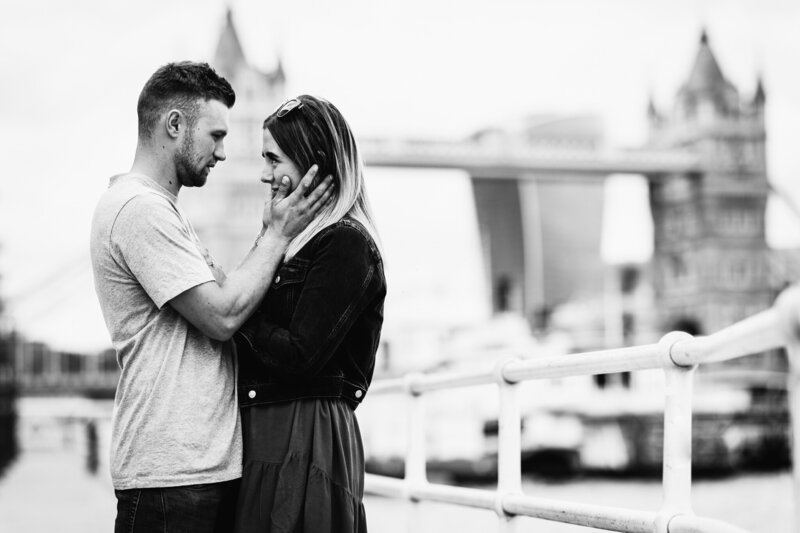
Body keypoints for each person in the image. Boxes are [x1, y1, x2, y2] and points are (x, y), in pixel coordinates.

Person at [89, 62, 333, 533]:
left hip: (192, 472)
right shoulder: (139, 210)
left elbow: (225, 293)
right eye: (216, 135)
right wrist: (278, 234)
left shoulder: (161, 210)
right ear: (174, 125)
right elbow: (222, 315)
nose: (224, 152)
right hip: (171, 481)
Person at [233, 95, 387, 533]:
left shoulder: (346, 244)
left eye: (273, 159)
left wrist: (233, 313)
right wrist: (270, 237)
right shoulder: (288, 241)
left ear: (313, 163)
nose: (264, 174)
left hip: (305, 437)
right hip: (274, 432)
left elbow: (300, 355)